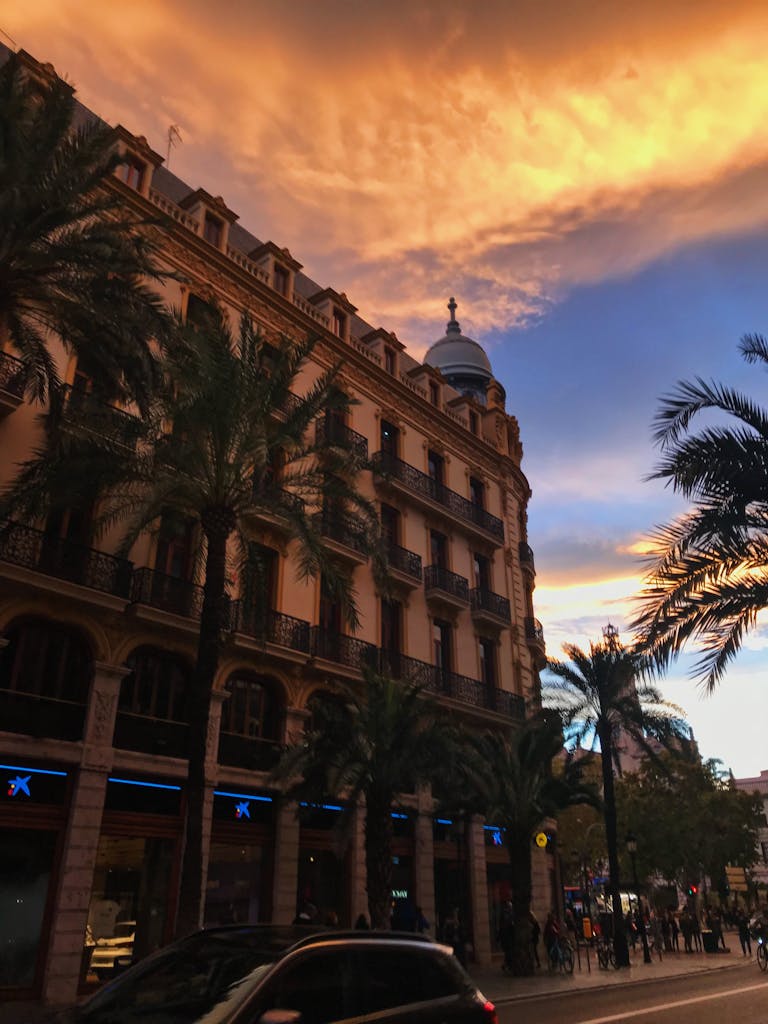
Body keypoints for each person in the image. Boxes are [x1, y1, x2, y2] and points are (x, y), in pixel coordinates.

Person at [497, 900, 515, 973]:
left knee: (508, 952)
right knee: (508, 952)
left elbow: (501, 926)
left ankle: (507, 965)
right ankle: (507, 965)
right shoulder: (509, 915)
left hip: (506, 937)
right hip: (508, 937)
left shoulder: (507, 914)